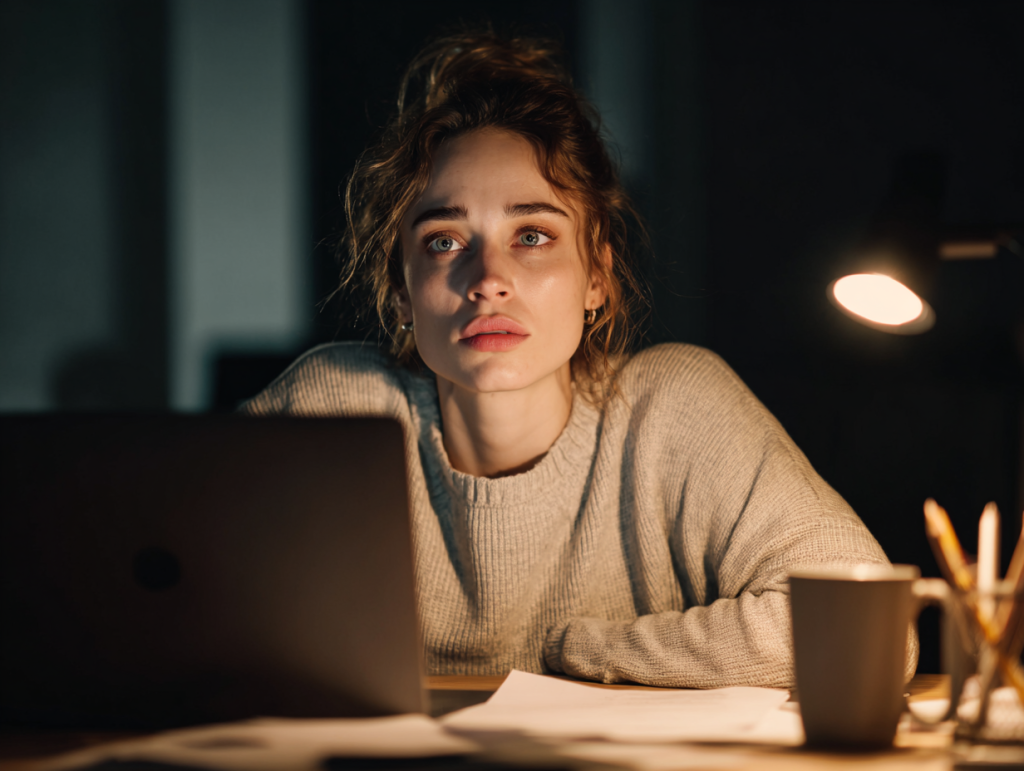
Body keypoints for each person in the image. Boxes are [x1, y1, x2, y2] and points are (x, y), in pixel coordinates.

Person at [243, 29, 906, 687]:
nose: (488, 278)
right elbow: (171, 605)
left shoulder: (675, 411)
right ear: (402, 286)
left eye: (531, 235)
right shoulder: (333, 405)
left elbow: (872, 630)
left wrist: (586, 652)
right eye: (444, 241)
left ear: (597, 276)